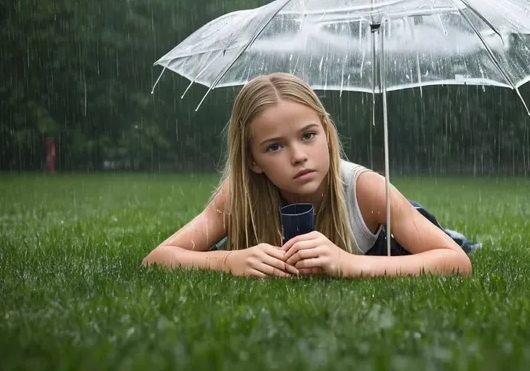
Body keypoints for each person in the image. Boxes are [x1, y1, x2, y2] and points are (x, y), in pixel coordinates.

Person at [142, 72, 475, 278]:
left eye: (308, 135)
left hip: (388, 236)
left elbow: (455, 262)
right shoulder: (239, 196)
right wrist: (229, 260)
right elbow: (157, 259)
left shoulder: (368, 190)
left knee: (452, 241)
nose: (299, 156)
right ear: (253, 161)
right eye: (274, 147)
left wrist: (348, 264)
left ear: (327, 134)